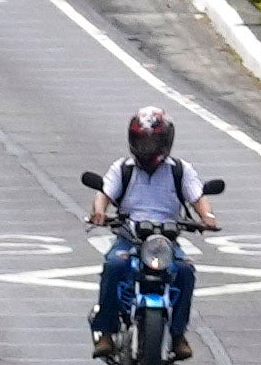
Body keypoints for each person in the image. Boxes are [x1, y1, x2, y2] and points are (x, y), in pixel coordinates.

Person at [84, 108, 220, 352]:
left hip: (165, 240)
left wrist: (207, 217)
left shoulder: (180, 170)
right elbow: (104, 193)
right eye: (142, 141)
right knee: (114, 265)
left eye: (152, 141)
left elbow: (197, 197)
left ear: (165, 141)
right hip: (130, 238)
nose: (146, 147)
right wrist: (100, 212)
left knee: (186, 271)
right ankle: (105, 331)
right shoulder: (122, 168)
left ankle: (178, 334)